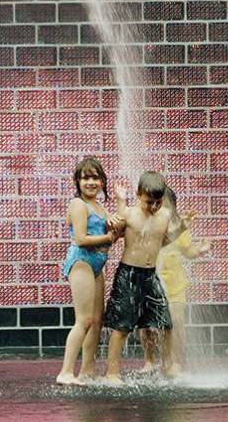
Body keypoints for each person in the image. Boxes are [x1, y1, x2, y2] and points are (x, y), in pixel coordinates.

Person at [103, 171, 186, 383]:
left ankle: (168, 366)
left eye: (157, 202)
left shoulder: (165, 216)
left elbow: (164, 242)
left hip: (150, 276)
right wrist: (119, 201)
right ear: (138, 194)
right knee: (122, 326)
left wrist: (182, 228)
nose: (153, 207)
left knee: (165, 322)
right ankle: (112, 373)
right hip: (129, 274)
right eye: (149, 202)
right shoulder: (130, 214)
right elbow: (113, 230)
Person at [56, 155, 122, 385]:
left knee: (96, 321)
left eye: (95, 178)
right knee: (83, 320)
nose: (90, 182)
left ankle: (87, 370)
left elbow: (112, 230)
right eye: (85, 178)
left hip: (97, 266)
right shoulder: (78, 204)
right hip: (82, 262)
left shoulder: (100, 207)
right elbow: (82, 239)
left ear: (102, 181)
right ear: (77, 182)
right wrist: (109, 237)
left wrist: (116, 222)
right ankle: (65, 372)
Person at [156, 186, 210, 377]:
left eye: (166, 204)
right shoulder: (151, 226)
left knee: (177, 321)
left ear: (173, 207)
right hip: (155, 285)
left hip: (176, 284)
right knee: (160, 326)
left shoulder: (180, 227)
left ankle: (177, 363)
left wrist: (200, 250)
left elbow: (188, 251)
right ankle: (165, 362)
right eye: (158, 203)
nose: (162, 208)